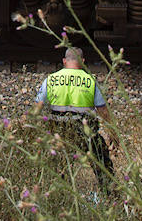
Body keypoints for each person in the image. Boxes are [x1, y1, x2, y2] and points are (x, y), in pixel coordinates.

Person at [35, 47, 115, 191]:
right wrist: (113, 133)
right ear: (83, 61)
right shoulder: (90, 81)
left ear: (64, 61)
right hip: (85, 132)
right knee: (102, 161)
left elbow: (37, 108)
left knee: (59, 165)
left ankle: (60, 193)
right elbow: (103, 111)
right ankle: (109, 192)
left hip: (59, 132)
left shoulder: (51, 79)